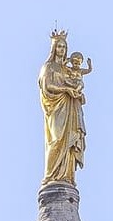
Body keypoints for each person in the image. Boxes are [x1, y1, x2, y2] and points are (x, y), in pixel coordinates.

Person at [38, 30, 90, 185]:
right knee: (56, 140)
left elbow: (76, 82)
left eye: (63, 47)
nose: (61, 50)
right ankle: (50, 175)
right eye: (59, 46)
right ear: (54, 49)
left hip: (70, 107)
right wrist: (65, 90)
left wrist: (76, 92)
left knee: (68, 143)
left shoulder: (67, 69)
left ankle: (66, 176)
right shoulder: (48, 67)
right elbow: (48, 86)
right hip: (56, 107)